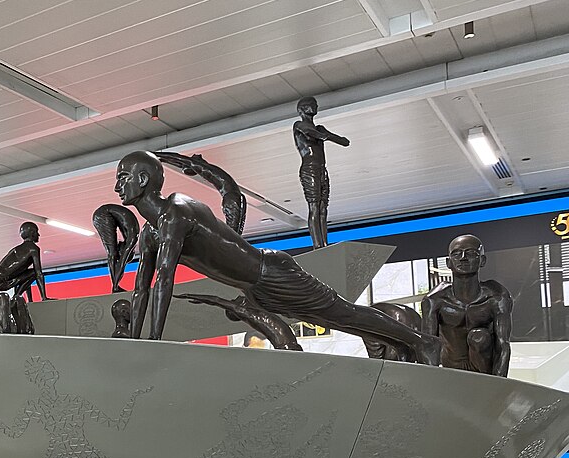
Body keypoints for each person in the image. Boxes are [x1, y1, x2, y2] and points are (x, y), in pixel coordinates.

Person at [114, 150, 440, 365]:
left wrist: (152, 343)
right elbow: (142, 289)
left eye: (122, 177)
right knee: (333, 320)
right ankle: (405, 344)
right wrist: (134, 341)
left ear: (143, 180)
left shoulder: (176, 212)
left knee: (342, 314)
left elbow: (164, 280)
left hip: (272, 271)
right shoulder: (149, 234)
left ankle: (421, 340)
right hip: (256, 289)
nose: (117, 186)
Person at [421, 234, 513, 376]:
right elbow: (428, 346)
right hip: (452, 369)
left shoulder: (496, 297)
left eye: (471, 253)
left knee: (479, 337)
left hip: (485, 369)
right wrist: (433, 381)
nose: (463, 257)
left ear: (482, 260)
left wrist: (499, 385)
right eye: (456, 254)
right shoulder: (435, 300)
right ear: (448, 262)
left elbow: (503, 344)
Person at [293, 96, 350, 249]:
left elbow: (345, 142)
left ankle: (324, 244)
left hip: (321, 169)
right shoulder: (298, 125)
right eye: (312, 104)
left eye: (315, 104)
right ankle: (317, 245)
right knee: (314, 206)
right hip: (309, 168)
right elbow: (312, 133)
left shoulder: (319, 128)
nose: (315, 106)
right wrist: (326, 135)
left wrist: (326, 135)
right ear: (302, 109)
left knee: (323, 207)